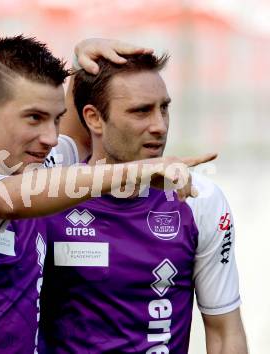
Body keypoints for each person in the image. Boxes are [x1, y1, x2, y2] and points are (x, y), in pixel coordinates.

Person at [0, 37, 214, 353]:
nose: (51, 137)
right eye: (34, 118)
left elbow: (83, 132)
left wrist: (84, 60)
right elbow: (8, 199)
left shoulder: (39, 166)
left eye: (56, 119)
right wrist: (140, 170)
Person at [37, 55, 248, 353]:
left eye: (164, 108)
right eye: (141, 111)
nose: (159, 126)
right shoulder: (46, 196)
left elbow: (225, 333)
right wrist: (78, 57)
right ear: (94, 118)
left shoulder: (198, 199)